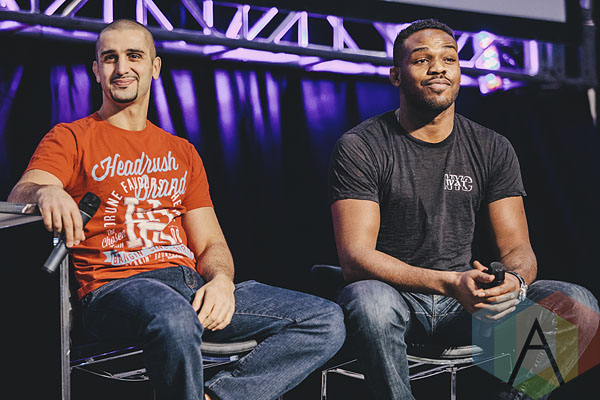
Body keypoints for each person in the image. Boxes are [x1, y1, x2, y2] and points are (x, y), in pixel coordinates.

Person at [8, 19, 345, 400]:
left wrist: (221, 282)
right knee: (172, 314)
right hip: (116, 288)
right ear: (96, 70)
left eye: (134, 56)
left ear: (154, 67)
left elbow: (211, 244)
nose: (122, 68)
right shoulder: (71, 136)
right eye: (110, 58)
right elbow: (23, 191)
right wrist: (45, 193)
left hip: (189, 286)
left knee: (324, 319)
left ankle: (218, 396)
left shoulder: (181, 151)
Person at [328, 19, 599, 399]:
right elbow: (355, 258)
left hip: (467, 307)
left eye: (449, 59)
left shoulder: (492, 147)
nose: (437, 68)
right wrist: (449, 282)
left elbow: (517, 248)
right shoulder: (362, 145)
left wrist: (514, 281)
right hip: (397, 299)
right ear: (396, 75)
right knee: (369, 299)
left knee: (579, 305)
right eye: (422, 60)